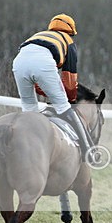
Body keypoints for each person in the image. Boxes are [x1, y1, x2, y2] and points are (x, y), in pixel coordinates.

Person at [12, 13, 94, 163]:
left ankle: (26, 151)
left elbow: (38, 82)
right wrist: (70, 99)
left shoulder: (38, 36)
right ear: (71, 32)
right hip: (43, 63)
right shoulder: (68, 41)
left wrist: (47, 90)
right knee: (64, 107)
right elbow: (69, 78)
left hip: (18, 62)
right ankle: (89, 150)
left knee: (29, 109)